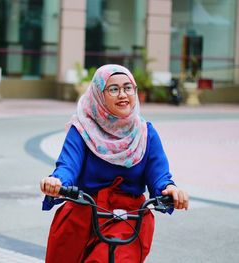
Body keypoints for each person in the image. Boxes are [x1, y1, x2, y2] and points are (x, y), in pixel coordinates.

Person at [40, 64, 189, 263]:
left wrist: (170, 189)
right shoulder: (82, 129)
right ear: (98, 95)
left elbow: (159, 176)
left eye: (128, 88)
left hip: (127, 218)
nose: (123, 94)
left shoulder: (145, 133)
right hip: (83, 214)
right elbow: (67, 166)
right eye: (113, 89)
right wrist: (57, 182)